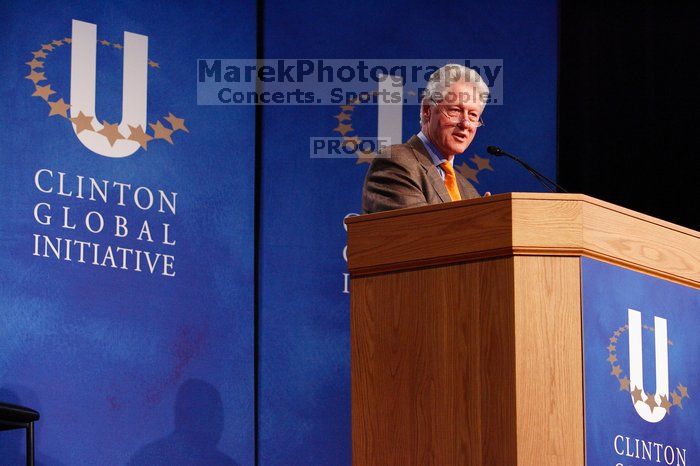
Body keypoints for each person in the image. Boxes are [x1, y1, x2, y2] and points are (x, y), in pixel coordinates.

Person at [362, 64, 489, 213]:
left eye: (473, 115)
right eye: (455, 110)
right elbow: (418, 230)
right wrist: (477, 222)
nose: (466, 123)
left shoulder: (468, 190)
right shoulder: (396, 163)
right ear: (427, 110)